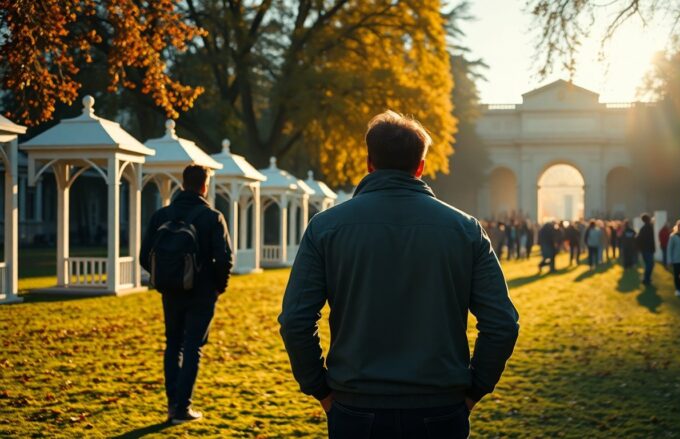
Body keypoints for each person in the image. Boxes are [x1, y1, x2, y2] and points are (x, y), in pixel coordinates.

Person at [278, 111, 520, 439]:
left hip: (356, 402)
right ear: (420, 167)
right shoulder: (464, 230)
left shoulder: (326, 227)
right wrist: (475, 389)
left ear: (369, 162)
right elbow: (502, 323)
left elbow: (295, 320)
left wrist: (318, 388)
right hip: (440, 404)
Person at [139, 165, 233, 424]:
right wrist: (217, 286)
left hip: (170, 292)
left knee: (173, 345)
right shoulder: (212, 217)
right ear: (204, 186)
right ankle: (183, 408)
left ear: (183, 183)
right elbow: (225, 259)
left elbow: (144, 255)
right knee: (193, 347)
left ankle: (172, 406)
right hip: (202, 292)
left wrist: (167, 277)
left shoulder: (161, 215)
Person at [636, 214, 656, 285]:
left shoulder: (644, 228)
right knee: (650, 264)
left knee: (649, 264)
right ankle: (646, 279)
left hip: (645, 249)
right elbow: (650, 240)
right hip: (648, 250)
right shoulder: (648, 228)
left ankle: (647, 278)